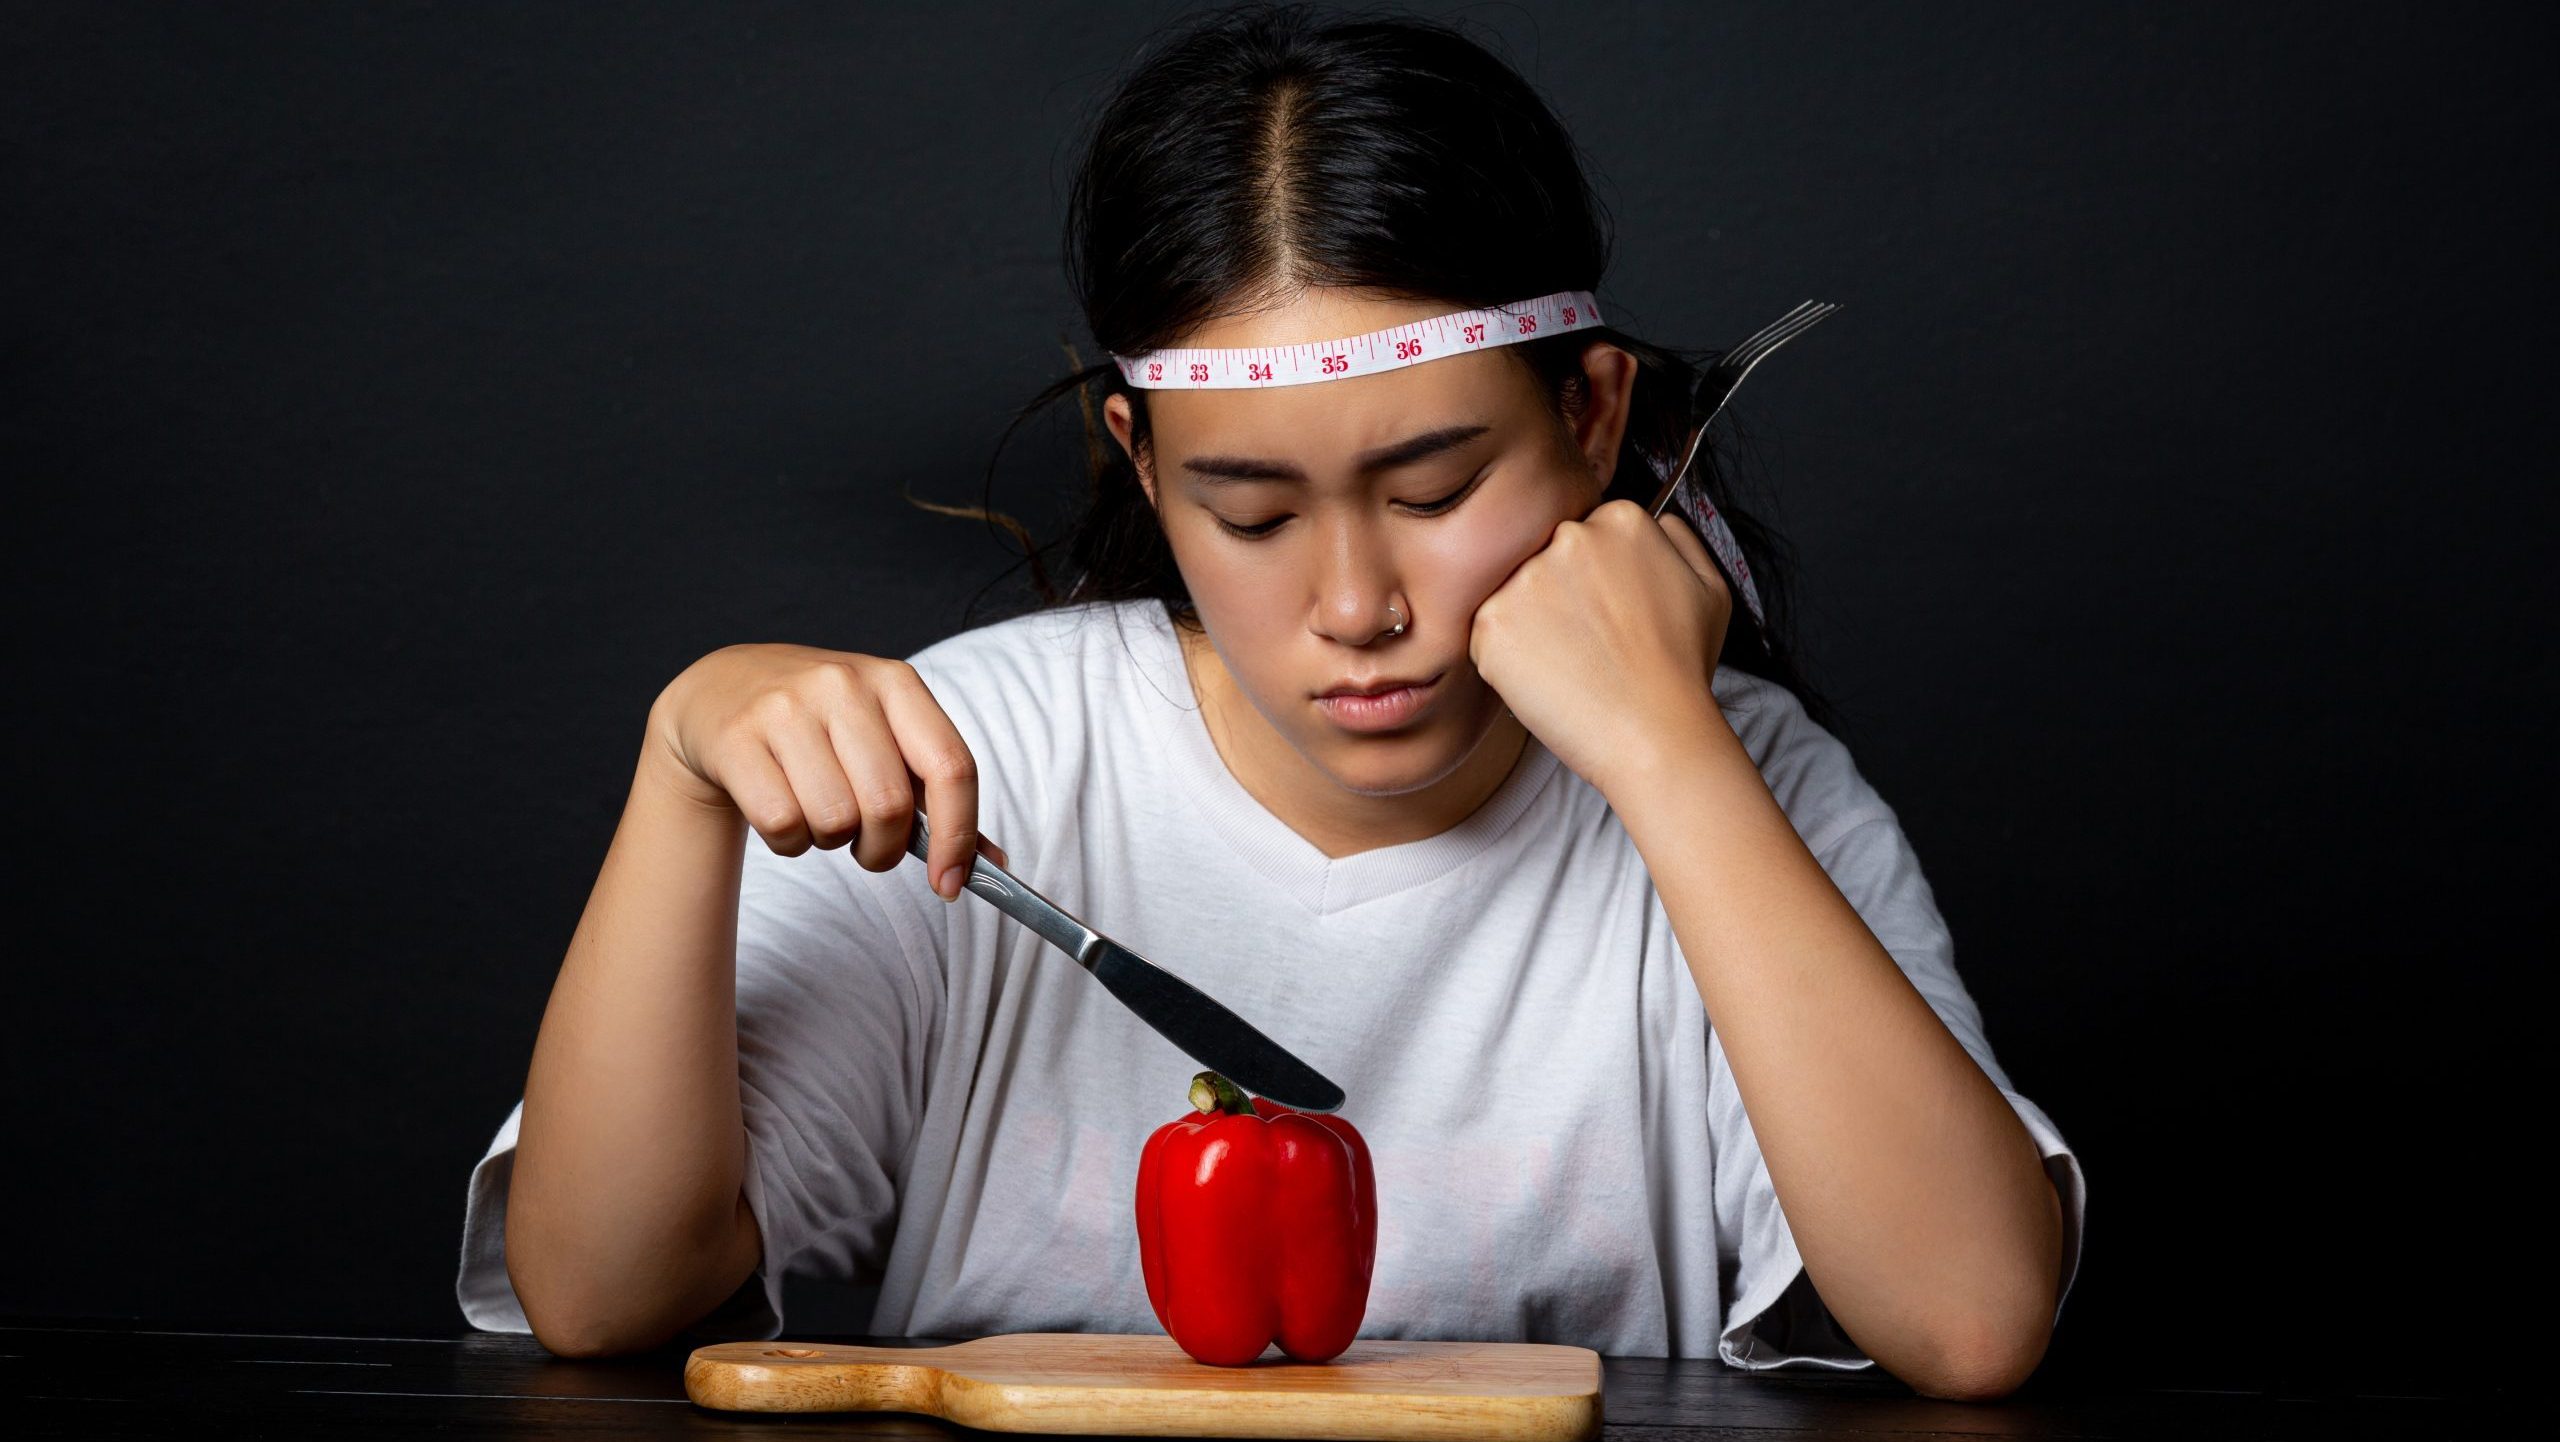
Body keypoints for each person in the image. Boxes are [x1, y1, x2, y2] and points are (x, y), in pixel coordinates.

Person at [455, 3, 2084, 1400]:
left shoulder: (1748, 786)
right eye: (1249, 514)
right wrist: (680, 782)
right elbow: (602, 1296)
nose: (1357, 607)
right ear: (1141, 464)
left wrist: (1668, 747)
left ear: (1593, 417)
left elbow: (1968, 1314)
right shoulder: (982, 759)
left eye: (1438, 487)